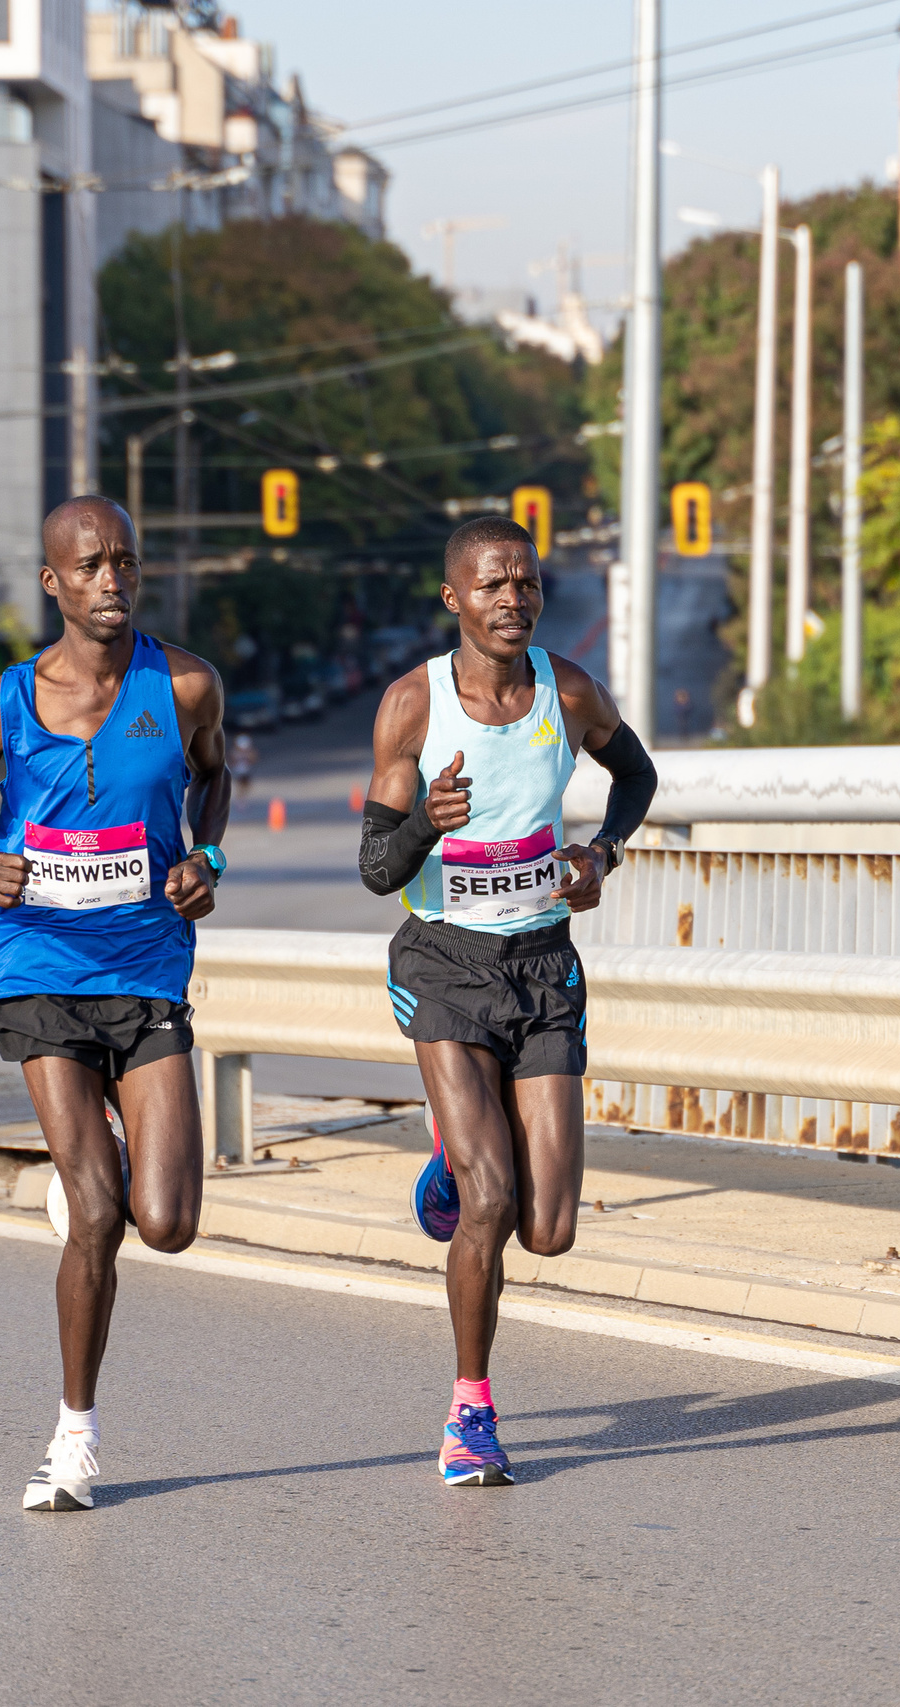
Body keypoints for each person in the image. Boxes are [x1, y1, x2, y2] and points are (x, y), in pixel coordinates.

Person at [0, 495, 229, 1513]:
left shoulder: (182, 685)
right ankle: (73, 1440)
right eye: (87, 566)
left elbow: (211, 784)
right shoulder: (4, 703)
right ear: (52, 582)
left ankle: (92, 1169)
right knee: (98, 1211)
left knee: (164, 1221)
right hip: (38, 962)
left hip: (145, 965)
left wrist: (207, 856)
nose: (109, 581)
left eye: (123, 562)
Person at [358, 516, 657, 1486]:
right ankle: (470, 1416)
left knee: (551, 1227)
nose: (511, 600)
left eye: (525, 584)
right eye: (490, 586)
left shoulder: (565, 693)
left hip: (540, 967)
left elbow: (636, 775)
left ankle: (454, 1154)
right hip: (443, 967)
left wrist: (598, 853)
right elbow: (374, 868)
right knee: (490, 1197)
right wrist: (425, 830)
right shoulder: (413, 707)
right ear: (454, 599)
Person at [230, 732, 257, 804]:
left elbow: (253, 759)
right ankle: (240, 799)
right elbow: (232, 760)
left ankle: (243, 797)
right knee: (240, 785)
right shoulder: (235, 752)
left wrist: (248, 756)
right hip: (238, 771)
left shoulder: (250, 752)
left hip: (246, 770)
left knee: (246, 785)